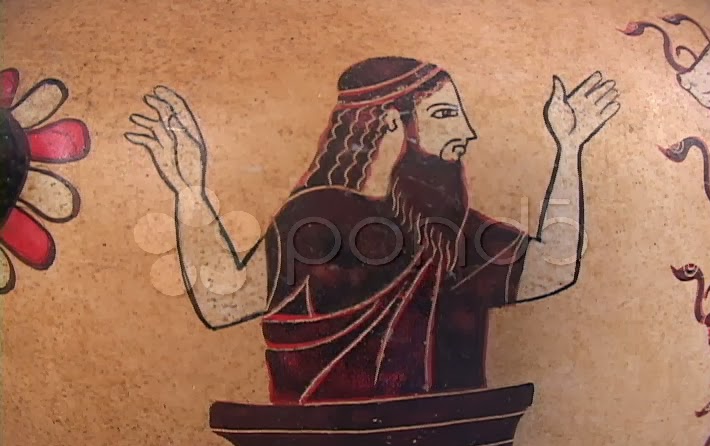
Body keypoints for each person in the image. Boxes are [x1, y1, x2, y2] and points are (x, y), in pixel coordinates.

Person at [125, 56, 620, 405]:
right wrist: (189, 190)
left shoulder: (447, 228)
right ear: (389, 123)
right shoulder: (317, 218)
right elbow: (225, 301)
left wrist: (570, 149)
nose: (466, 132)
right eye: (444, 114)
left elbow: (550, 271)